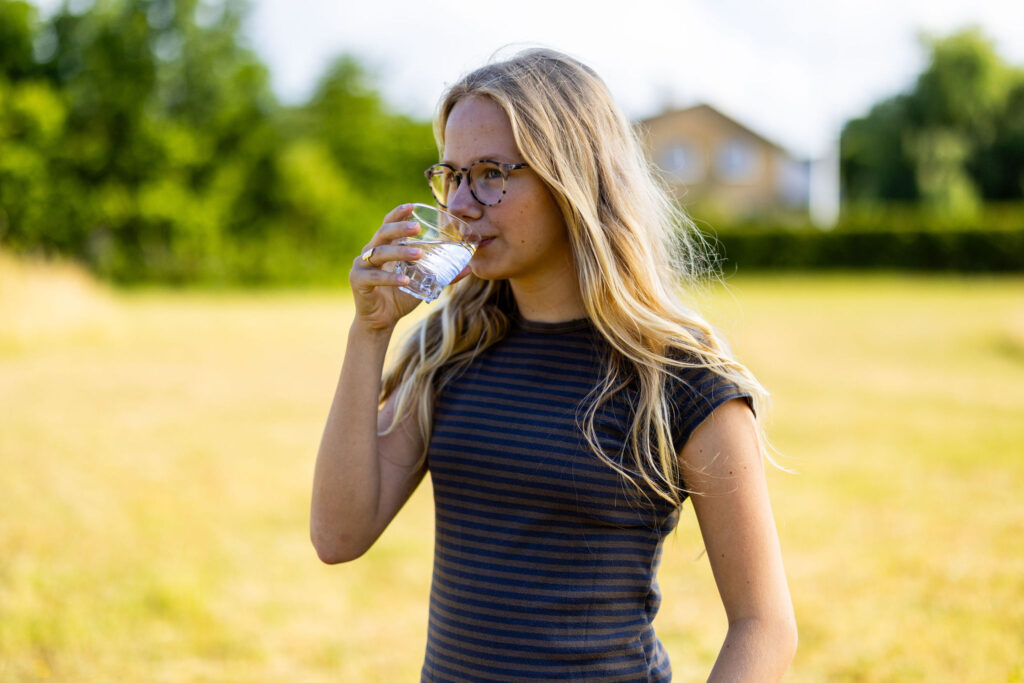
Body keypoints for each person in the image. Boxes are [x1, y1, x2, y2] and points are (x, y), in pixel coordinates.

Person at [311, 48, 797, 682]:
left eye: (490, 173)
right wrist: (369, 332)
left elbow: (764, 626)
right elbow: (338, 537)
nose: (459, 205)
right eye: (450, 175)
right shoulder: (449, 352)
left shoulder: (682, 382)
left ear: (572, 178)